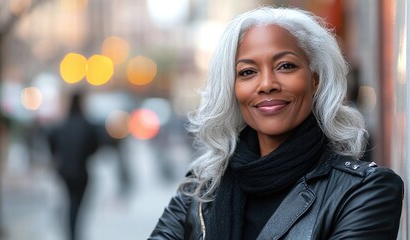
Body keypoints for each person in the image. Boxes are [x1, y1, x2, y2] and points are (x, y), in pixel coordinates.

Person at [149, 6, 404, 240]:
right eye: (247, 72)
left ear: (315, 80)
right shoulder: (200, 191)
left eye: (285, 66)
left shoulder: (364, 191)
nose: (267, 84)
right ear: (232, 88)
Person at [48, 92, 99, 240]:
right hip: (81, 172)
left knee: (71, 202)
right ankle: (73, 234)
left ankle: (72, 233)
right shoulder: (87, 126)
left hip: (65, 171)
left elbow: (52, 142)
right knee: (75, 204)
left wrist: (58, 157)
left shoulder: (62, 125)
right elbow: (95, 146)